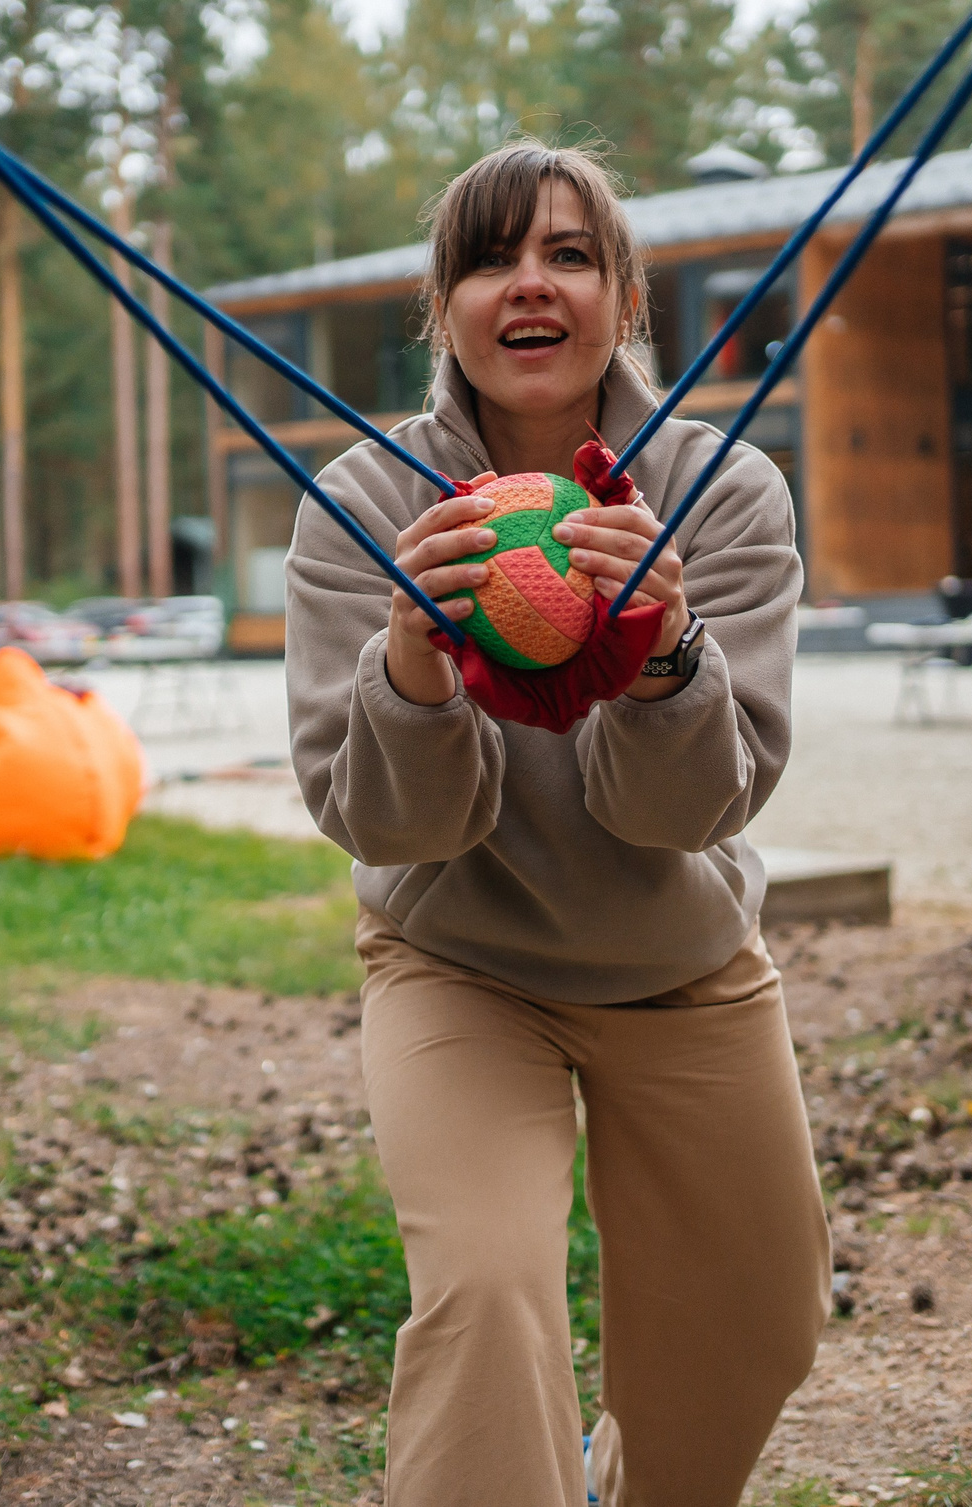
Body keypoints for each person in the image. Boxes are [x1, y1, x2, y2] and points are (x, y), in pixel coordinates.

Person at [287, 140, 823, 1507]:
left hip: (686, 963)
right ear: (443, 308)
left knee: (756, 1322)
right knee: (484, 1298)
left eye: (570, 254)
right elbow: (385, 825)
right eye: (490, 258)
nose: (531, 283)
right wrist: (411, 658)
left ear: (624, 299)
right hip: (461, 963)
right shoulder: (360, 506)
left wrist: (665, 642)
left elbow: (693, 805)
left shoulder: (728, 494)